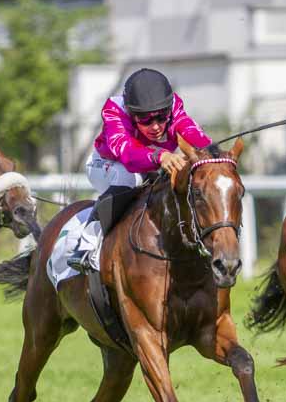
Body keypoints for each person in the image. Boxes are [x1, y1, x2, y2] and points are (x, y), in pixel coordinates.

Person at [67, 68, 212, 272]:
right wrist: (159, 155)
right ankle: (86, 243)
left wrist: (210, 153)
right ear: (130, 112)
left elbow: (189, 130)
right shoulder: (114, 110)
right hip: (108, 164)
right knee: (131, 177)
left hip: (151, 165)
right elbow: (126, 153)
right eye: (145, 119)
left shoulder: (174, 105)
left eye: (161, 117)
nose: (155, 126)